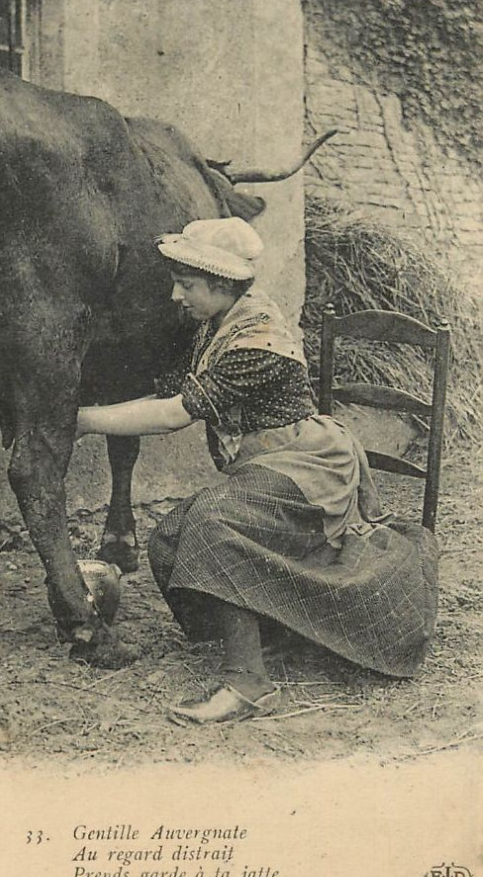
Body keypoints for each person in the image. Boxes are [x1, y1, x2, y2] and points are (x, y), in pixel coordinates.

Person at [75, 218, 438, 725]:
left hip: (309, 466)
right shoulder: (216, 327)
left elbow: (173, 414)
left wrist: (82, 421)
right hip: (270, 464)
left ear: (220, 285)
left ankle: (250, 684)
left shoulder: (256, 339)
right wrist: (84, 406)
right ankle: (277, 630)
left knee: (211, 526)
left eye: (186, 284)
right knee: (168, 539)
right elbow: (166, 393)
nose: (175, 295)